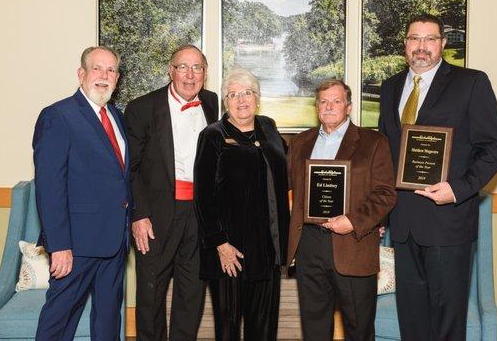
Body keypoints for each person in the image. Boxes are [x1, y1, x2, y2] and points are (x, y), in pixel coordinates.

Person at [378, 13, 497, 341]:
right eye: (414, 39)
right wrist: (379, 210)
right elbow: (384, 156)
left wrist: (458, 189)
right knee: (413, 322)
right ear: (405, 44)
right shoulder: (391, 88)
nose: (421, 47)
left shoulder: (471, 83)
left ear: (443, 44)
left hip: (448, 222)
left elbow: (493, 148)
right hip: (403, 226)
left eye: (429, 39)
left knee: (448, 324)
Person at [286, 80, 397, 341]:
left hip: (352, 244)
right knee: (314, 329)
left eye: (336, 101)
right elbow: (287, 189)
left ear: (348, 107)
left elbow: (385, 194)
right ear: (316, 107)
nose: (329, 107)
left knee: (359, 330)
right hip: (309, 245)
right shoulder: (301, 142)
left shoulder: (374, 143)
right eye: (323, 102)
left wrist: (353, 221)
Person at [33, 46, 131, 340]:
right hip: (75, 246)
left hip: (114, 243)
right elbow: (50, 187)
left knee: (108, 323)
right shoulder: (57, 116)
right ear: (82, 73)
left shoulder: (116, 115)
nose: (104, 76)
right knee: (58, 323)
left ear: (117, 78)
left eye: (111, 70)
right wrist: (59, 245)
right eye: (97, 69)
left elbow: (120, 176)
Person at [124, 45, 218, 341]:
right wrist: (139, 215)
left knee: (192, 292)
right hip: (156, 215)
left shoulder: (212, 102)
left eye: (198, 68)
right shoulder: (141, 108)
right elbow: (132, 168)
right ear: (170, 70)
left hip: (199, 214)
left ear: (205, 73)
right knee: (151, 293)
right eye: (183, 67)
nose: (190, 75)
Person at [194, 69, 290, 341]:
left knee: (264, 327)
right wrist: (220, 244)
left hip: (266, 249)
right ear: (225, 102)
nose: (241, 100)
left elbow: (284, 178)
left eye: (247, 93)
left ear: (257, 98)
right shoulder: (213, 135)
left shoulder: (269, 127)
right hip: (230, 252)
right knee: (228, 327)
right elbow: (203, 196)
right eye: (233, 95)